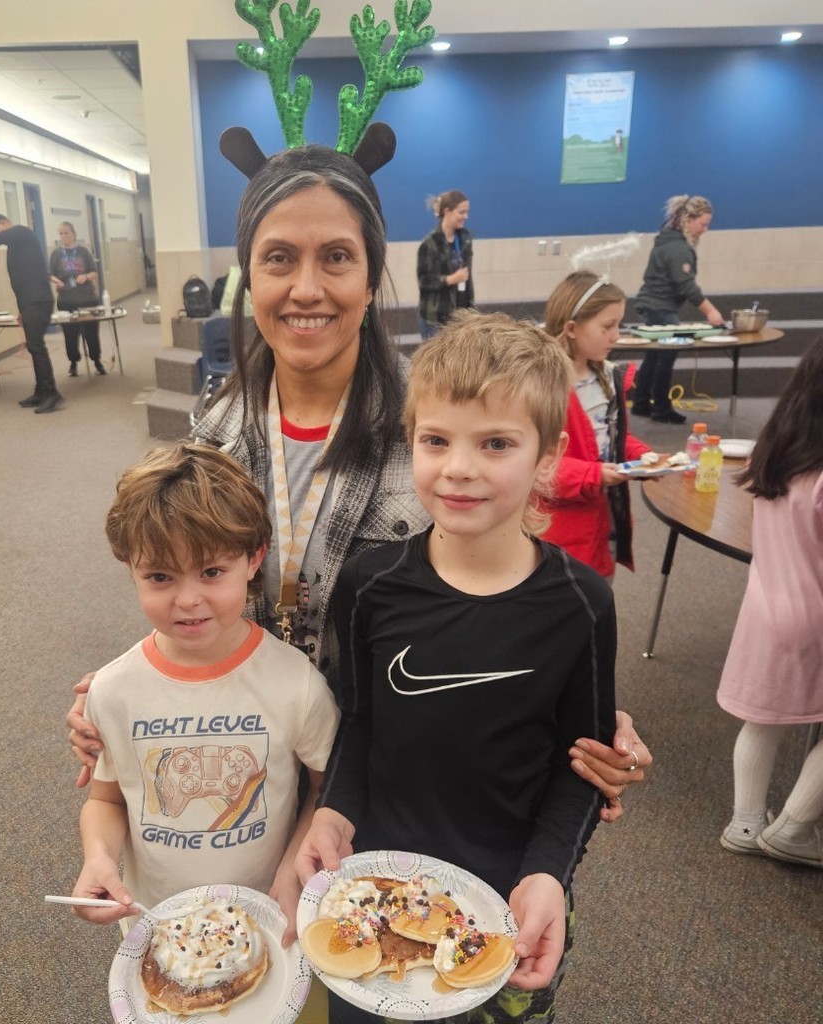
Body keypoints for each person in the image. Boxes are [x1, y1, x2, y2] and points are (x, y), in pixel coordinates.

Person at [66, 144, 649, 818]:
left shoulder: (439, 428)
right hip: (245, 765)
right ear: (248, 277)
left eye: (336, 257)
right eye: (279, 257)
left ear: (371, 276)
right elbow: (188, 579)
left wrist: (581, 709)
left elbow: (509, 601)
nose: (307, 288)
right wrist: (126, 688)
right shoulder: (215, 426)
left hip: (388, 776)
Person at [296, 312, 617, 1024]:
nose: (460, 467)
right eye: (436, 440)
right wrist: (334, 814)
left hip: (507, 898)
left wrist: (548, 875)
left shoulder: (582, 605)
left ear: (547, 455)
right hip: (376, 890)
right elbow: (361, 721)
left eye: (496, 443)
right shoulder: (370, 586)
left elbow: (582, 767)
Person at [70, 441, 339, 941]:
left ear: (254, 558)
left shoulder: (295, 684)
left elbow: (324, 790)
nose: (188, 599)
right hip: (156, 919)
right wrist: (99, 858)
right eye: (159, 576)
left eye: (212, 571)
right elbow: (106, 801)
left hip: (266, 913)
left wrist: (292, 869)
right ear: (130, 568)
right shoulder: (113, 690)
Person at [717, 335, 823, 868]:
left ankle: (745, 820)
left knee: (763, 717)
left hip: (765, 605)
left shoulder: (778, 452)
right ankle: (794, 828)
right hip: (814, 613)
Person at [541, 270, 653, 578]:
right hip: (559, 534)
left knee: (599, 599)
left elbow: (610, 440)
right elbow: (533, 467)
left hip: (602, 524)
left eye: (618, 324)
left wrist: (643, 457)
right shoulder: (541, 387)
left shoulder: (607, 377)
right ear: (572, 328)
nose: (616, 335)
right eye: (607, 326)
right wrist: (593, 474)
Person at [630, 194, 725, 424]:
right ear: (688, 220)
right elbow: (686, 286)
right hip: (660, 307)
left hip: (655, 305)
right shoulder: (677, 248)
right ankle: (661, 408)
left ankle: (641, 402)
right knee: (666, 356)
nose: (705, 229)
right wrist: (711, 312)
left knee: (654, 355)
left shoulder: (669, 242)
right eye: (703, 224)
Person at [0, 214, 64, 413]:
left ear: (3, 223)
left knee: (36, 346)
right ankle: (41, 391)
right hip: (30, 301)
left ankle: (51, 393)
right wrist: (22, 309)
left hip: (38, 300)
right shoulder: (19, 245)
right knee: (33, 345)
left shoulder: (21, 232)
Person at [49, 221, 105, 376]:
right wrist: (56, 281)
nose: (63, 236)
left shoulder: (83, 252)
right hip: (66, 300)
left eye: (66, 233)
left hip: (87, 298)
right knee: (70, 334)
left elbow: (94, 273)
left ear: (73, 234)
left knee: (91, 332)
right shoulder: (56, 254)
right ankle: (73, 362)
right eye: (60, 233)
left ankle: (97, 360)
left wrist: (86, 276)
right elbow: (50, 274)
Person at [416, 188, 473, 339]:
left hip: (461, 318)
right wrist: (450, 279)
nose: (466, 216)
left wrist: (471, 312)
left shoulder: (465, 239)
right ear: (447, 211)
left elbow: (468, 279)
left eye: (467, 212)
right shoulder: (429, 244)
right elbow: (424, 281)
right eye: (461, 212)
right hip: (435, 320)